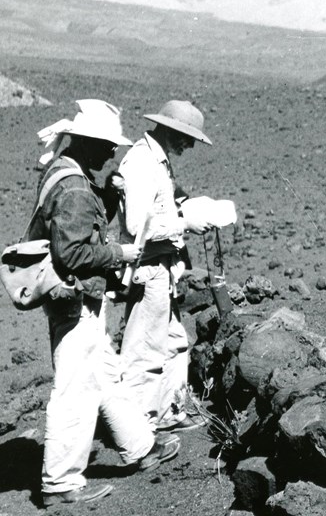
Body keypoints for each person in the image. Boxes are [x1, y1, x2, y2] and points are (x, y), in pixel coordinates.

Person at [29, 100, 181, 507]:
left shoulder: (66, 174)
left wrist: (109, 196)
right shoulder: (75, 188)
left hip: (76, 298)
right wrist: (119, 255)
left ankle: (141, 447)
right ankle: (60, 482)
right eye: (108, 146)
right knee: (75, 388)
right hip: (75, 299)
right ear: (90, 143)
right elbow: (74, 253)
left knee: (102, 374)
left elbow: (82, 226)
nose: (113, 153)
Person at [117, 100, 212, 432]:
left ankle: (170, 412)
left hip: (163, 268)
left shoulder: (158, 160)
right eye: (187, 138)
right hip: (149, 268)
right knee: (144, 352)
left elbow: (163, 205)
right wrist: (184, 223)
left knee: (173, 343)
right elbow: (135, 227)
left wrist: (187, 206)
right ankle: (139, 430)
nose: (189, 145)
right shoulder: (142, 163)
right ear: (171, 130)